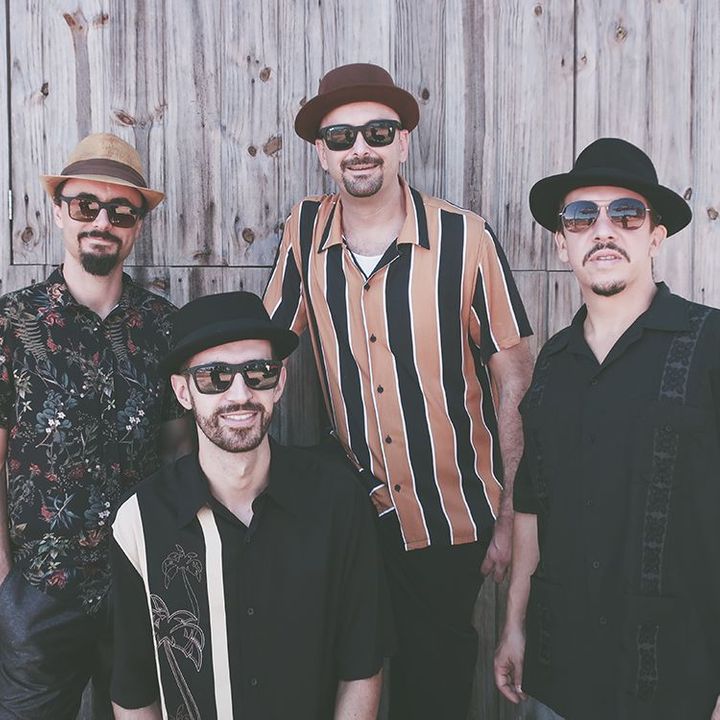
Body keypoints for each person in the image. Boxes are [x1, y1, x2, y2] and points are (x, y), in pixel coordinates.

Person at [264, 62, 533, 719]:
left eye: (378, 132)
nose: (360, 148)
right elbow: (267, 350)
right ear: (322, 153)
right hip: (355, 509)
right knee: (342, 669)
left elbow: (515, 377)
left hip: (453, 512)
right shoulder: (304, 232)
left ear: (403, 142)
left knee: (433, 682)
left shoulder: (465, 238)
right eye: (341, 137)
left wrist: (508, 516)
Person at [495, 137, 720, 720]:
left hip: (678, 677)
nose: (603, 230)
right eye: (580, 216)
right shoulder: (552, 364)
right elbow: (532, 504)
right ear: (561, 241)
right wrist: (514, 623)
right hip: (563, 671)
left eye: (626, 214)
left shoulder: (711, 346)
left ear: (656, 236)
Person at [110, 291, 388, 720]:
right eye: (214, 377)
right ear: (183, 392)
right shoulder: (139, 521)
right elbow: (133, 691)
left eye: (259, 372)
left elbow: (362, 667)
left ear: (280, 382)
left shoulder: (338, 503)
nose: (240, 394)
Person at [0, 133, 189, 719]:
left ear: (136, 227)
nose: (101, 222)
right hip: (37, 589)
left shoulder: (164, 327)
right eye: (85, 205)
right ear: (59, 211)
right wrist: (5, 582)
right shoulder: (12, 322)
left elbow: (180, 453)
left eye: (120, 211)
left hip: (139, 585)